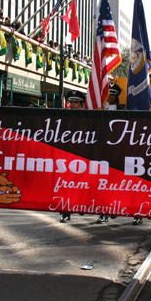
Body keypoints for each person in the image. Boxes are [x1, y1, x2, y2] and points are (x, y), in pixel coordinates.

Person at [61, 90, 87, 223]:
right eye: (71, 102)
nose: (72, 105)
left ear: (82, 104)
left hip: (82, 156)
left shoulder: (87, 118)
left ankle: (81, 204)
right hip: (67, 155)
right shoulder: (64, 116)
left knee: (82, 184)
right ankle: (66, 212)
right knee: (66, 185)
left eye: (75, 102)